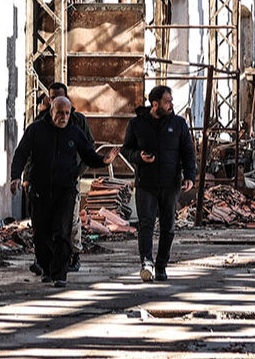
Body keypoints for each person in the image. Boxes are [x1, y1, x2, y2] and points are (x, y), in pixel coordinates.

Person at [10, 96, 117, 287]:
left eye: (67, 113)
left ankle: (60, 274)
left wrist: (103, 161)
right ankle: (47, 268)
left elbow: (88, 155)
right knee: (41, 234)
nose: (64, 117)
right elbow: (21, 153)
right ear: (51, 111)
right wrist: (16, 176)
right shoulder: (36, 130)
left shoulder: (74, 132)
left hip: (65, 190)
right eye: (60, 112)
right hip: (40, 191)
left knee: (62, 232)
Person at [121, 85, 195, 282]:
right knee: (145, 224)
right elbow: (126, 150)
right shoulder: (137, 124)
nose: (171, 104)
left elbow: (188, 152)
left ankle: (161, 265)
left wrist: (189, 176)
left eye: (171, 101)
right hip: (146, 183)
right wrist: (139, 156)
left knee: (168, 226)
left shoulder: (179, 124)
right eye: (167, 101)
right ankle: (146, 262)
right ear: (155, 104)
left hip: (171, 184)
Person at [35, 82, 93, 272]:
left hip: (69, 179)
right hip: (45, 182)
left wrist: (79, 171)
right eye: (52, 97)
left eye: (60, 96)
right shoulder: (40, 122)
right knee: (45, 222)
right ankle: (46, 260)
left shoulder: (78, 122)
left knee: (71, 219)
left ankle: (73, 255)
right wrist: (28, 176)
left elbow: (89, 148)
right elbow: (30, 151)